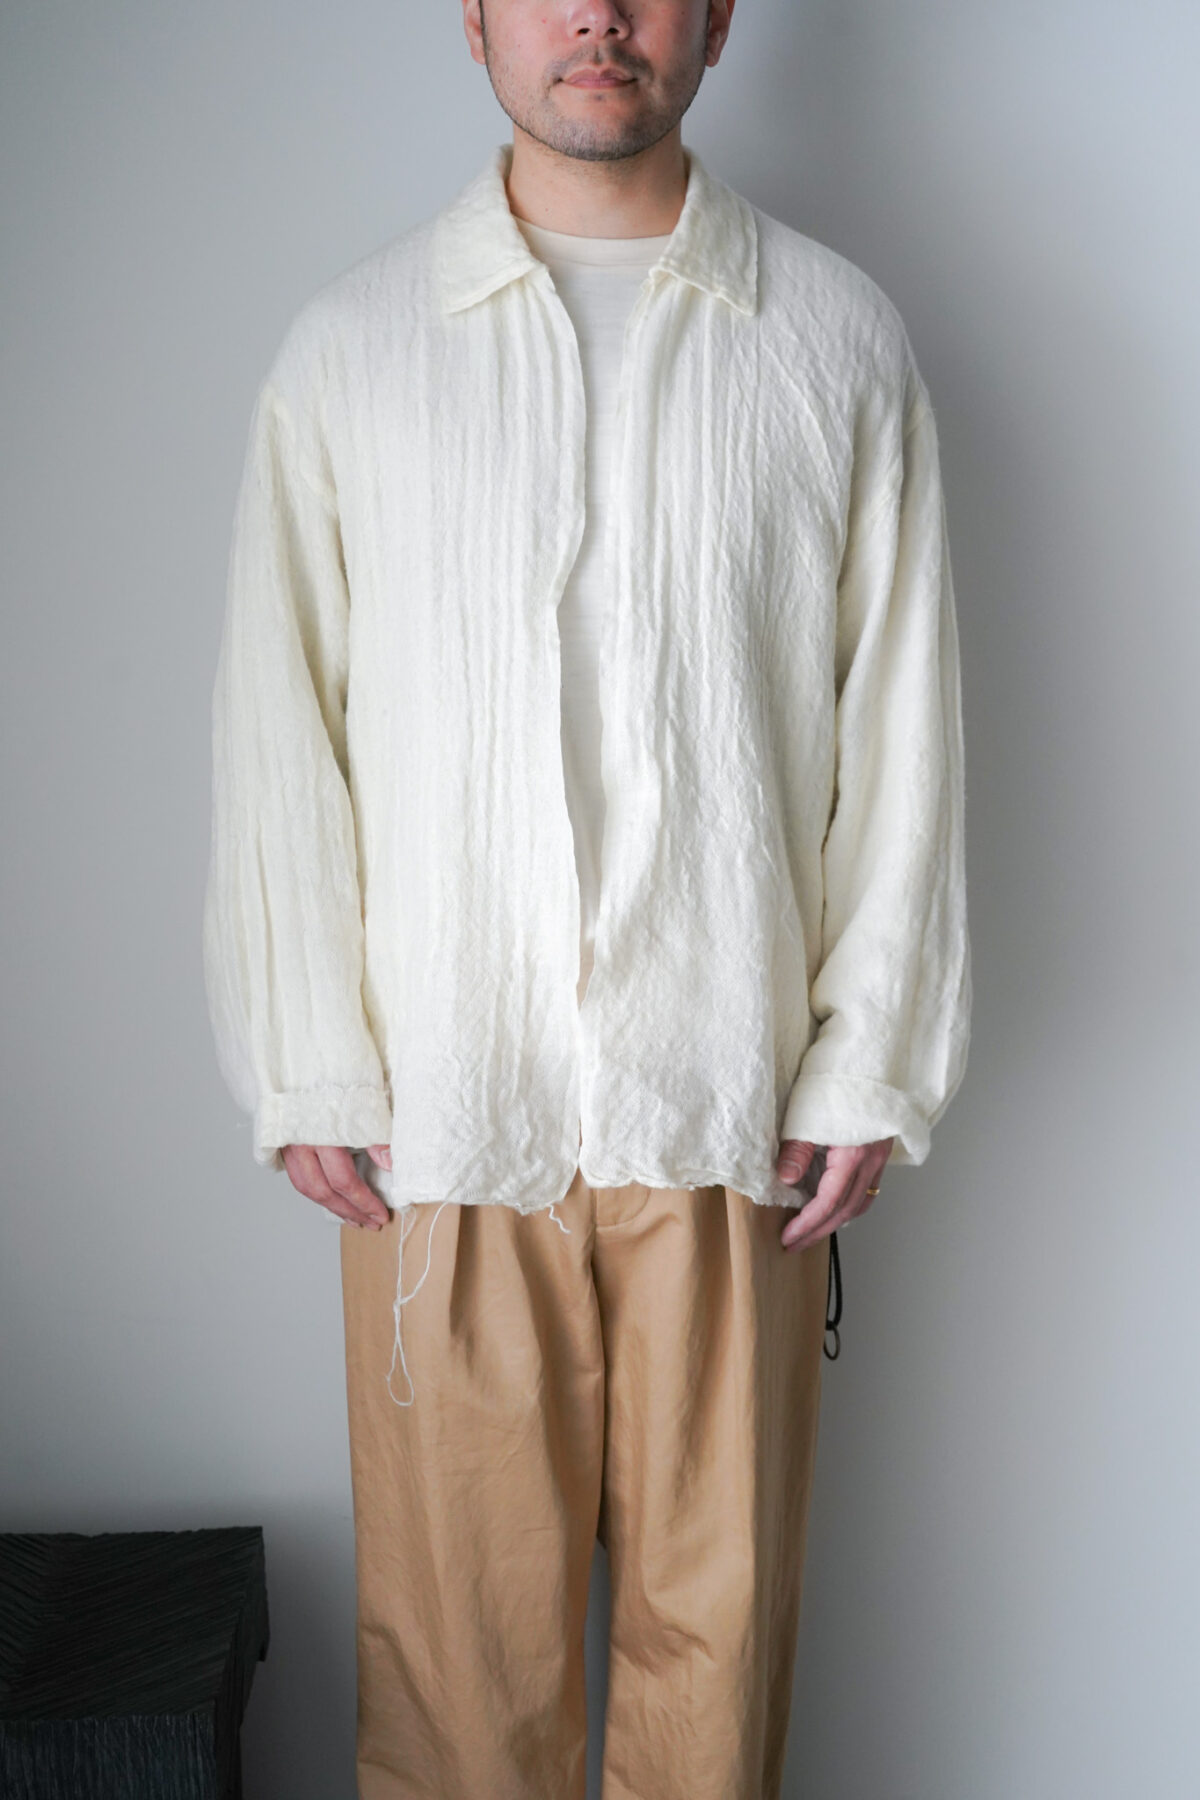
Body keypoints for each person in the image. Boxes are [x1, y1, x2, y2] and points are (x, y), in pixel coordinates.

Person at [201, 1, 971, 1793]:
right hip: (445, 1116)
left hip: (732, 1109)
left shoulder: (834, 338)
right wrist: (305, 1056)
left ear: (718, 18)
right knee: (460, 1670)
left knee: (722, 1653)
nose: (599, 16)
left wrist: (871, 1054)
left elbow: (904, 727)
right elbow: (278, 723)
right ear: (475, 18)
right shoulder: (356, 349)